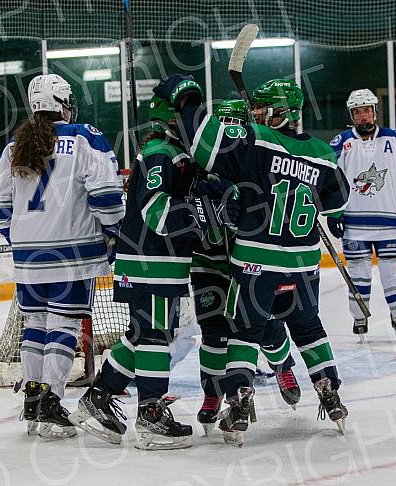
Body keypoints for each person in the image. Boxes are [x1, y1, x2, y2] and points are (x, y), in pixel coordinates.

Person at [154, 75, 351, 445]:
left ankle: (241, 400)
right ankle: (330, 390)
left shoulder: (255, 142)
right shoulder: (323, 152)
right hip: (304, 264)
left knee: (244, 332)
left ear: (284, 112)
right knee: (309, 329)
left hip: (257, 261)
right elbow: (339, 197)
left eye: (263, 108)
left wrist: (185, 98)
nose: (256, 113)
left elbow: (204, 137)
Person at [70, 95, 235, 450]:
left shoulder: (176, 155)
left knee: (142, 333)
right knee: (156, 337)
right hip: (151, 261)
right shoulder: (162, 153)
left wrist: (207, 190)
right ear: (173, 122)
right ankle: (151, 414)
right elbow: (156, 210)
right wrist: (198, 210)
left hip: (156, 261)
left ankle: (97, 398)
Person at [0, 74, 124, 439]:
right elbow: (108, 194)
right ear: (65, 104)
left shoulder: (16, 144)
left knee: (35, 324)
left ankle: (33, 398)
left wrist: (18, 235)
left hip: (28, 256)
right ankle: (51, 404)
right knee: (63, 325)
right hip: (74, 253)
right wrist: (112, 231)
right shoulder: (85, 137)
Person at [191, 100, 301, 437]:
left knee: (264, 326)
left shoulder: (254, 166)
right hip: (207, 264)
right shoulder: (196, 167)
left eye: (231, 128)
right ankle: (212, 393)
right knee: (212, 332)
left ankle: (283, 366)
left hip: (248, 265)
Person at [328, 89, 396, 343]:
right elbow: (331, 180)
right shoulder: (341, 143)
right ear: (352, 116)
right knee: (358, 270)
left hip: (389, 221)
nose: (363, 116)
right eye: (357, 112)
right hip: (354, 223)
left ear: (375, 111)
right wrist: (334, 212)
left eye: (366, 110)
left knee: (391, 269)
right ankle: (360, 316)